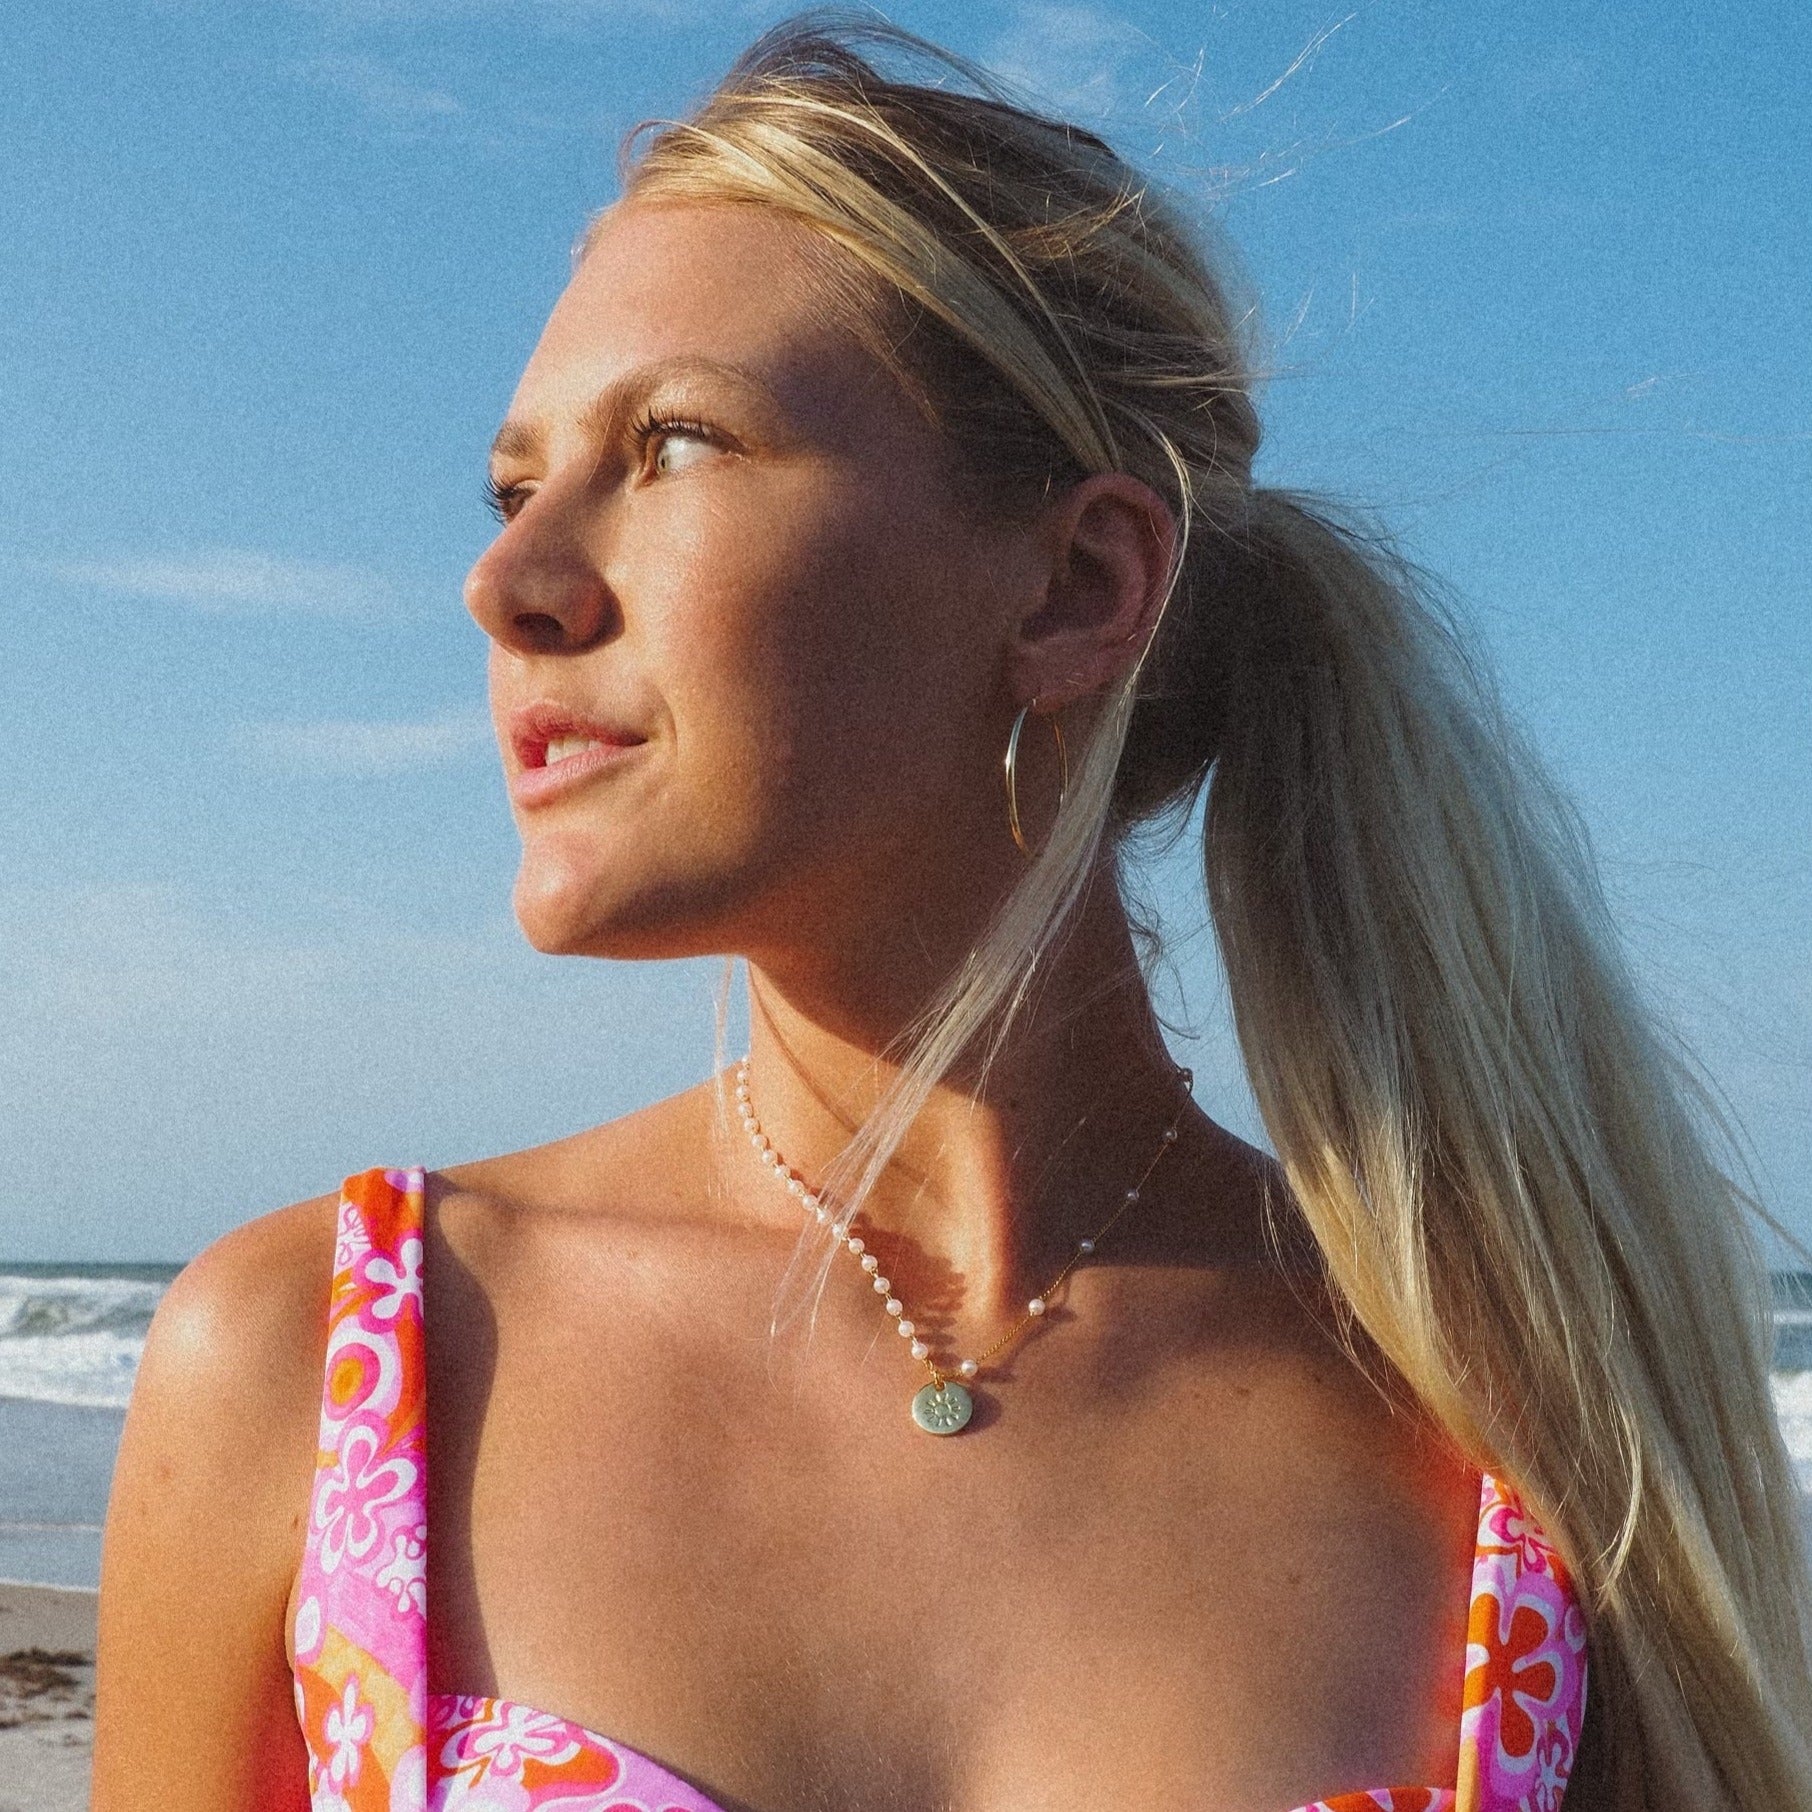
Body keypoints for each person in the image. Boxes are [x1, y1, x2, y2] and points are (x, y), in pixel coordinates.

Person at [91, 13, 1811, 1810]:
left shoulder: (1514, 1409)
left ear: (1078, 585)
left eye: (673, 444)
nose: (507, 578)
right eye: (516, 488)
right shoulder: (327, 1360)